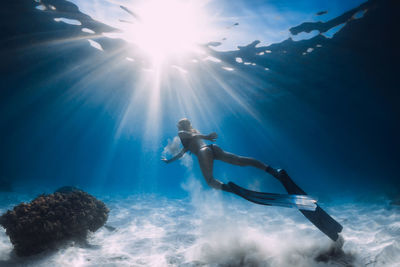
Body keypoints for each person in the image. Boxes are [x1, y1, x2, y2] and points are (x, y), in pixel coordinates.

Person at [161, 118, 285, 192]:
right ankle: (273, 171)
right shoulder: (188, 138)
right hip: (212, 148)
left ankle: (233, 190)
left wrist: (206, 136)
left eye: (179, 125)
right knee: (240, 161)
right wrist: (169, 161)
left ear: (180, 126)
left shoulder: (182, 133)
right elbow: (181, 154)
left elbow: (192, 136)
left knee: (210, 181)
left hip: (203, 152)